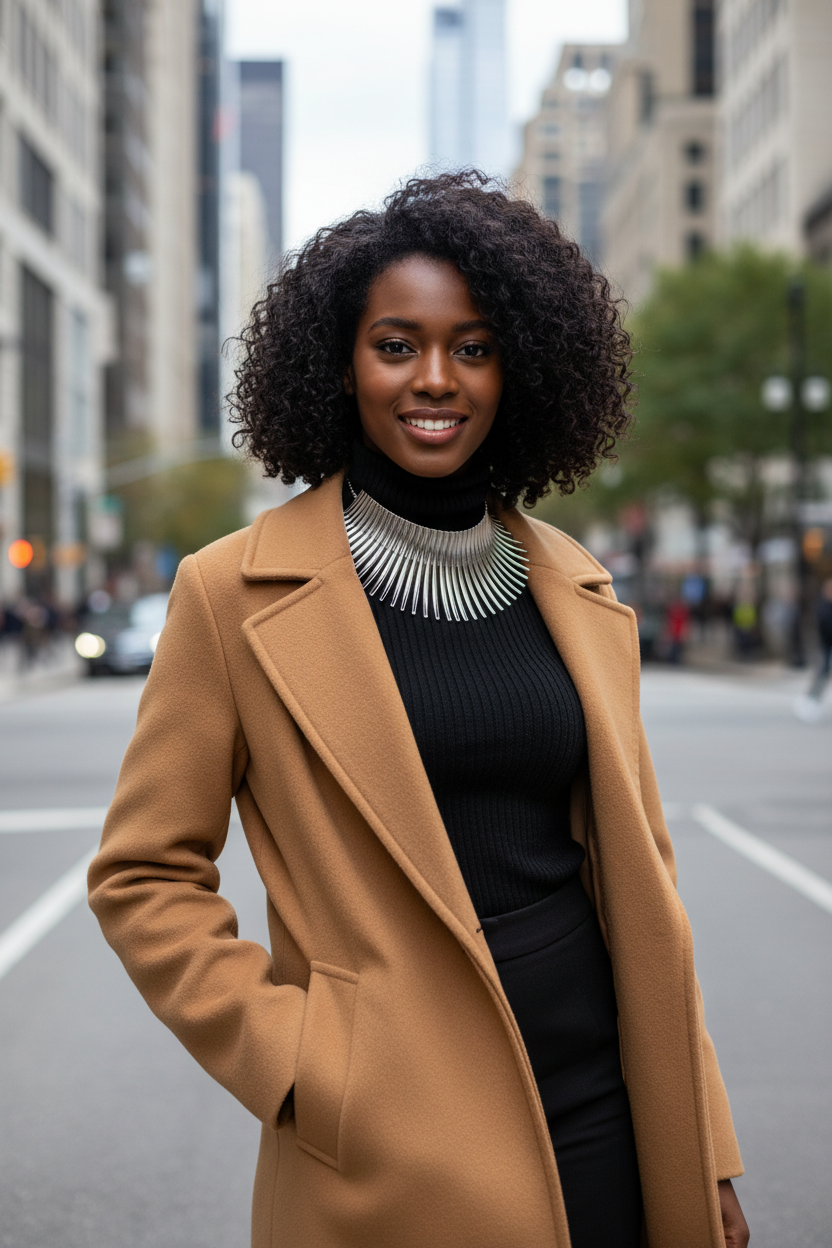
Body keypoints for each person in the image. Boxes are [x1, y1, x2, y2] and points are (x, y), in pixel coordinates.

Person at [88, 173, 749, 1248]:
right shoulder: (230, 593)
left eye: (473, 346)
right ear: (339, 367)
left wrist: (703, 1143)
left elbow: (644, 893)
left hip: (610, 1108)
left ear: (517, 368)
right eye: (395, 344)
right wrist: (300, 1065)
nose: (434, 378)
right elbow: (142, 875)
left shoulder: (574, 583)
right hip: (390, 1136)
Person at [808, 576, 832, 701]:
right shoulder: (823, 606)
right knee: (822, 673)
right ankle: (812, 698)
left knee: (823, 673)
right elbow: (825, 627)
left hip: (827, 647)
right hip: (825, 646)